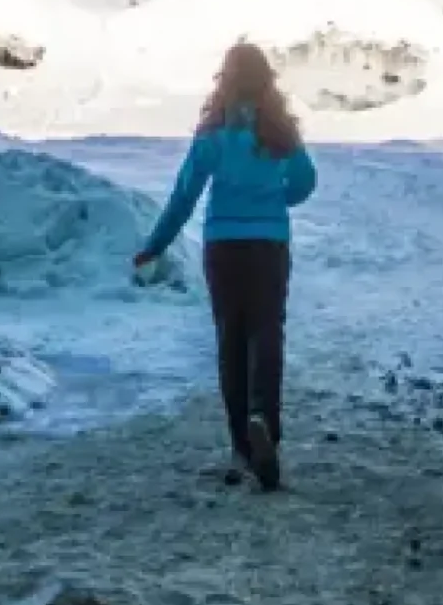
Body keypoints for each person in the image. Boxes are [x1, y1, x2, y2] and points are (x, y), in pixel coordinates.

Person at [134, 40, 318, 491]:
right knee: (267, 333)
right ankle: (265, 425)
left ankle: (241, 445)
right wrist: (276, 198)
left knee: (231, 341)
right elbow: (306, 181)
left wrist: (155, 245)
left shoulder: (213, 135)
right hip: (269, 245)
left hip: (224, 247)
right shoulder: (278, 132)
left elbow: (184, 196)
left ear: (225, 80)